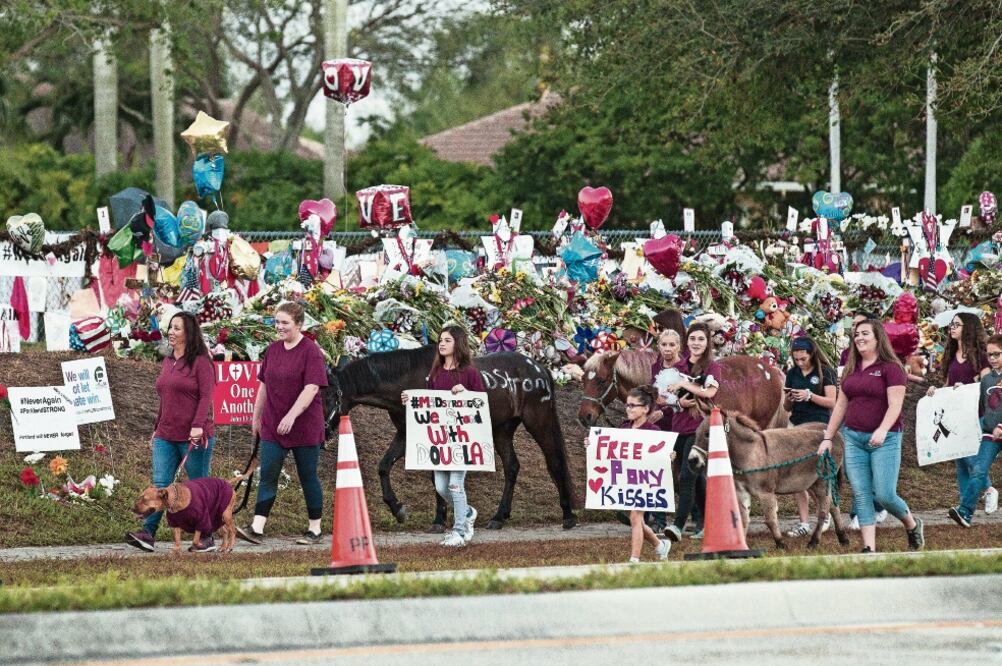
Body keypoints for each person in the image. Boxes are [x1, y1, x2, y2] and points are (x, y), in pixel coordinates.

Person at [820, 319, 924, 553]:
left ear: (878, 338)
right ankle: (869, 549)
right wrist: (828, 437)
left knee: (885, 494)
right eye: (856, 334)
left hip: (885, 440)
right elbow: (840, 407)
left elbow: (895, 406)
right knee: (861, 492)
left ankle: (912, 523)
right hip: (854, 439)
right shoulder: (851, 369)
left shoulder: (892, 368)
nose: (859, 338)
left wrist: (882, 429)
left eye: (865, 333)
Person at [237, 301, 329, 546]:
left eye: (285, 323)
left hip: (304, 425)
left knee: (307, 475)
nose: (279, 327)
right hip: (273, 423)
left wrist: (292, 416)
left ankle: (315, 529)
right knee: (268, 474)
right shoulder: (273, 350)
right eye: (277, 322)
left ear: (298, 324)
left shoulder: (311, 351)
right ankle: (257, 526)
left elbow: (312, 388)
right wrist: (256, 417)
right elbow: (263, 385)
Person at [127, 312, 217, 552]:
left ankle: (206, 535)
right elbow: (165, 398)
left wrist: (198, 425)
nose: (171, 332)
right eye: (170, 327)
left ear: (189, 333)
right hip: (165, 436)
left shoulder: (201, 362)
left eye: (177, 328)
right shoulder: (168, 361)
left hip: (193, 436)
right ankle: (148, 533)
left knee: (198, 486)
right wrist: (156, 429)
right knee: (160, 484)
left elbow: (206, 397)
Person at [401, 325, 484, 547]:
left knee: (456, 484)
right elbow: (430, 402)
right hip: (440, 440)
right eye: (440, 340)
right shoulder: (436, 372)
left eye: (447, 340)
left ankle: (458, 531)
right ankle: (467, 512)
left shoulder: (470, 373)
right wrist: (412, 400)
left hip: (461, 439)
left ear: (458, 343)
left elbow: (481, 403)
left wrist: (465, 394)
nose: (442, 343)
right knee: (440, 486)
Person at [928, 313, 997, 520]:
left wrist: (967, 387)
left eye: (957, 324)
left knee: (968, 455)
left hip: (976, 415)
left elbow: (988, 387)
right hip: (955, 414)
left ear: (968, 328)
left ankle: (988, 489)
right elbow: (947, 385)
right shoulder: (950, 355)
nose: (952, 328)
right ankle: (964, 507)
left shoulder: (981, 355)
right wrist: (935, 391)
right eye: (951, 325)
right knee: (960, 460)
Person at [663, 322, 721, 543]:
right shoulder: (680, 366)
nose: (696, 343)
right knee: (694, 480)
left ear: (707, 343)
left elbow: (709, 392)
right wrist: (678, 400)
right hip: (678, 426)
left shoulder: (712, 367)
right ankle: (708, 522)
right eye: (693, 339)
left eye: (701, 339)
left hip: (699, 430)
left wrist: (685, 385)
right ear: (687, 341)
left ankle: (677, 526)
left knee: (687, 476)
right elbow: (670, 397)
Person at [782, 336, 837, 538]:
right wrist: (790, 399)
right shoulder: (792, 373)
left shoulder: (825, 372)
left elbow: (833, 402)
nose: (800, 362)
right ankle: (803, 521)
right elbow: (786, 407)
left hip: (818, 426)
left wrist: (810, 396)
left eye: (803, 358)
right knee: (796, 475)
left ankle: (825, 514)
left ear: (811, 354)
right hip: (796, 424)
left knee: (817, 474)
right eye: (796, 359)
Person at [839, 310, 887, 529]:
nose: (856, 332)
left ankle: (867, 510)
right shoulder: (846, 355)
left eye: (861, 328)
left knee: (873, 472)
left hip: (877, 422)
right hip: (851, 420)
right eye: (854, 328)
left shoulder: (883, 358)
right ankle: (867, 509)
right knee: (854, 470)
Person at [948, 334, 1002, 526]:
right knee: (978, 470)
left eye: (997, 354)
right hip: (989, 434)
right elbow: (978, 399)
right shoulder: (988, 379)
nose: (992, 358)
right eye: (989, 355)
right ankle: (965, 512)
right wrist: (963, 388)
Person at [620, 386, 671, 563]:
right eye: (627, 405)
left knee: (635, 517)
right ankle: (660, 545)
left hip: (645, 482)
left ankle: (634, 560)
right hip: (627, 480)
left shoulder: (653, 431)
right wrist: (593, 444)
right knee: (638, 521)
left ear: (645, 409)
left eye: (633, 405)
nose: (628, 409)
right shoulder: (624, 428)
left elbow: (661, 456)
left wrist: (669, 455)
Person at [647, 329, 682, 532]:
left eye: (671, 345)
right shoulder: (655, 368)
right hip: (660, 426)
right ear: (658, 346)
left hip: (680, 422)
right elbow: (655, 396)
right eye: (664, 345)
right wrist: (655, 409)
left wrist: (666, 408)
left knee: (684, 473)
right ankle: (660, 520)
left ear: (678, 346)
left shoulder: (685, 367)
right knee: (658, 471)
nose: (667, 349)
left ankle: (694, 515)